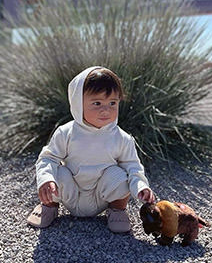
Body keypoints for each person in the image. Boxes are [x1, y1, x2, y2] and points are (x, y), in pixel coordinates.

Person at [27, 66, 155, 232]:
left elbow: (133, 166)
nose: (106, 110)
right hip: (71, 191)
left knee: (120, 174)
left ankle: (117, 209)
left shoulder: (122, 138)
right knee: (57, 172)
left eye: (112, 103)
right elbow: (48, 158)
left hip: (101, 195)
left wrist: (141, 186)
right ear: (78, 103)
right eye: (97, 103)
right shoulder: (66, 132)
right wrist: (46, 179)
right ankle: (49, 206)